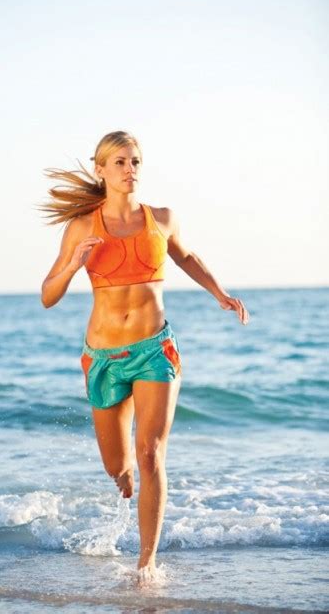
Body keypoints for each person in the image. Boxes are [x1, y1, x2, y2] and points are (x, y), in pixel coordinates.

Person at [40, 130, 249, 579]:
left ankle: (146, 564)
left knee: (151, 451)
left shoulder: (162, 218)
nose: (128, 169)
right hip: (103, 357)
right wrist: (74, 264)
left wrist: (220, 293)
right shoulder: (81, 226)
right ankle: (125, 476)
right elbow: (47, 295)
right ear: (100, 170)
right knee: (118, 466)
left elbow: (187, 256)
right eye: (118, 162)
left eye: (134, 161)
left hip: (156, 349)